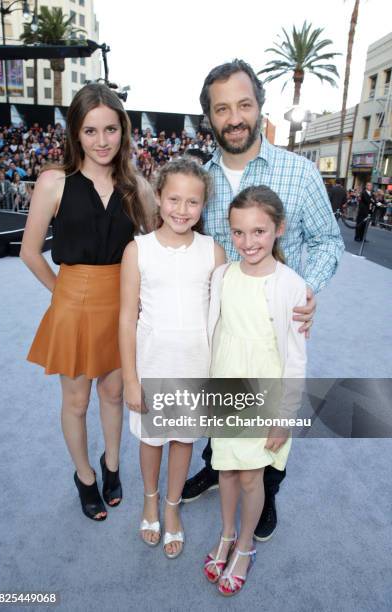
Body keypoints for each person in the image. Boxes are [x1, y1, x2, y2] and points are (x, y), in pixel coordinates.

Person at [182, 59, 344, 542]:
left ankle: (267, 490)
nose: (234, 117)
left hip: (273, 328)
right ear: (209, 117)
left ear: (260, 107)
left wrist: (305, 290)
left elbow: (328, 242)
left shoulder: (300, 172)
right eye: (222, 108)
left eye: (244, 105)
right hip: (222, 324)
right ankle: (217, 466)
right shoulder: (198, 182)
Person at [20, 83, 154, 522]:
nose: (102, 141)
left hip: (122, 306)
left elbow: (157, 243)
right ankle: (85, 477)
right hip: (74, 305)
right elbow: (30, 250)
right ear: (76, 133)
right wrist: (63, 292)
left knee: (113, 393)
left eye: (110, 129)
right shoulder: (53, 181)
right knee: (76, 402)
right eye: (91, 130)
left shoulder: (136, 186)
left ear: (123, 131)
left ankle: (112, 465)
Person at [203, 185, 306, 596]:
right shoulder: (221, 275)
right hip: (226, 385)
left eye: (259, 231)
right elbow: (213, 332)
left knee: (251, 476)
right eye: (239, 232)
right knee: (225, 467)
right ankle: (226, 535)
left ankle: (245, 546)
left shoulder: (291, 286)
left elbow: (295, 358)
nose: (249, 242)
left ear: (278, 229)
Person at [119, 158, 225, 558]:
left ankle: (172, 505)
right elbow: (127, 316)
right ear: (159, 198)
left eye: (192, 202)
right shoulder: (138, 250)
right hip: (153, 363)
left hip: (195, 367)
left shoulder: (212, 252)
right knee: (152, 439)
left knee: (182, 439)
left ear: (203, 206)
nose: (182, 210)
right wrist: (131, 378)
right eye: (174, 199)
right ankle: (150, 498)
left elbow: (221, 316)